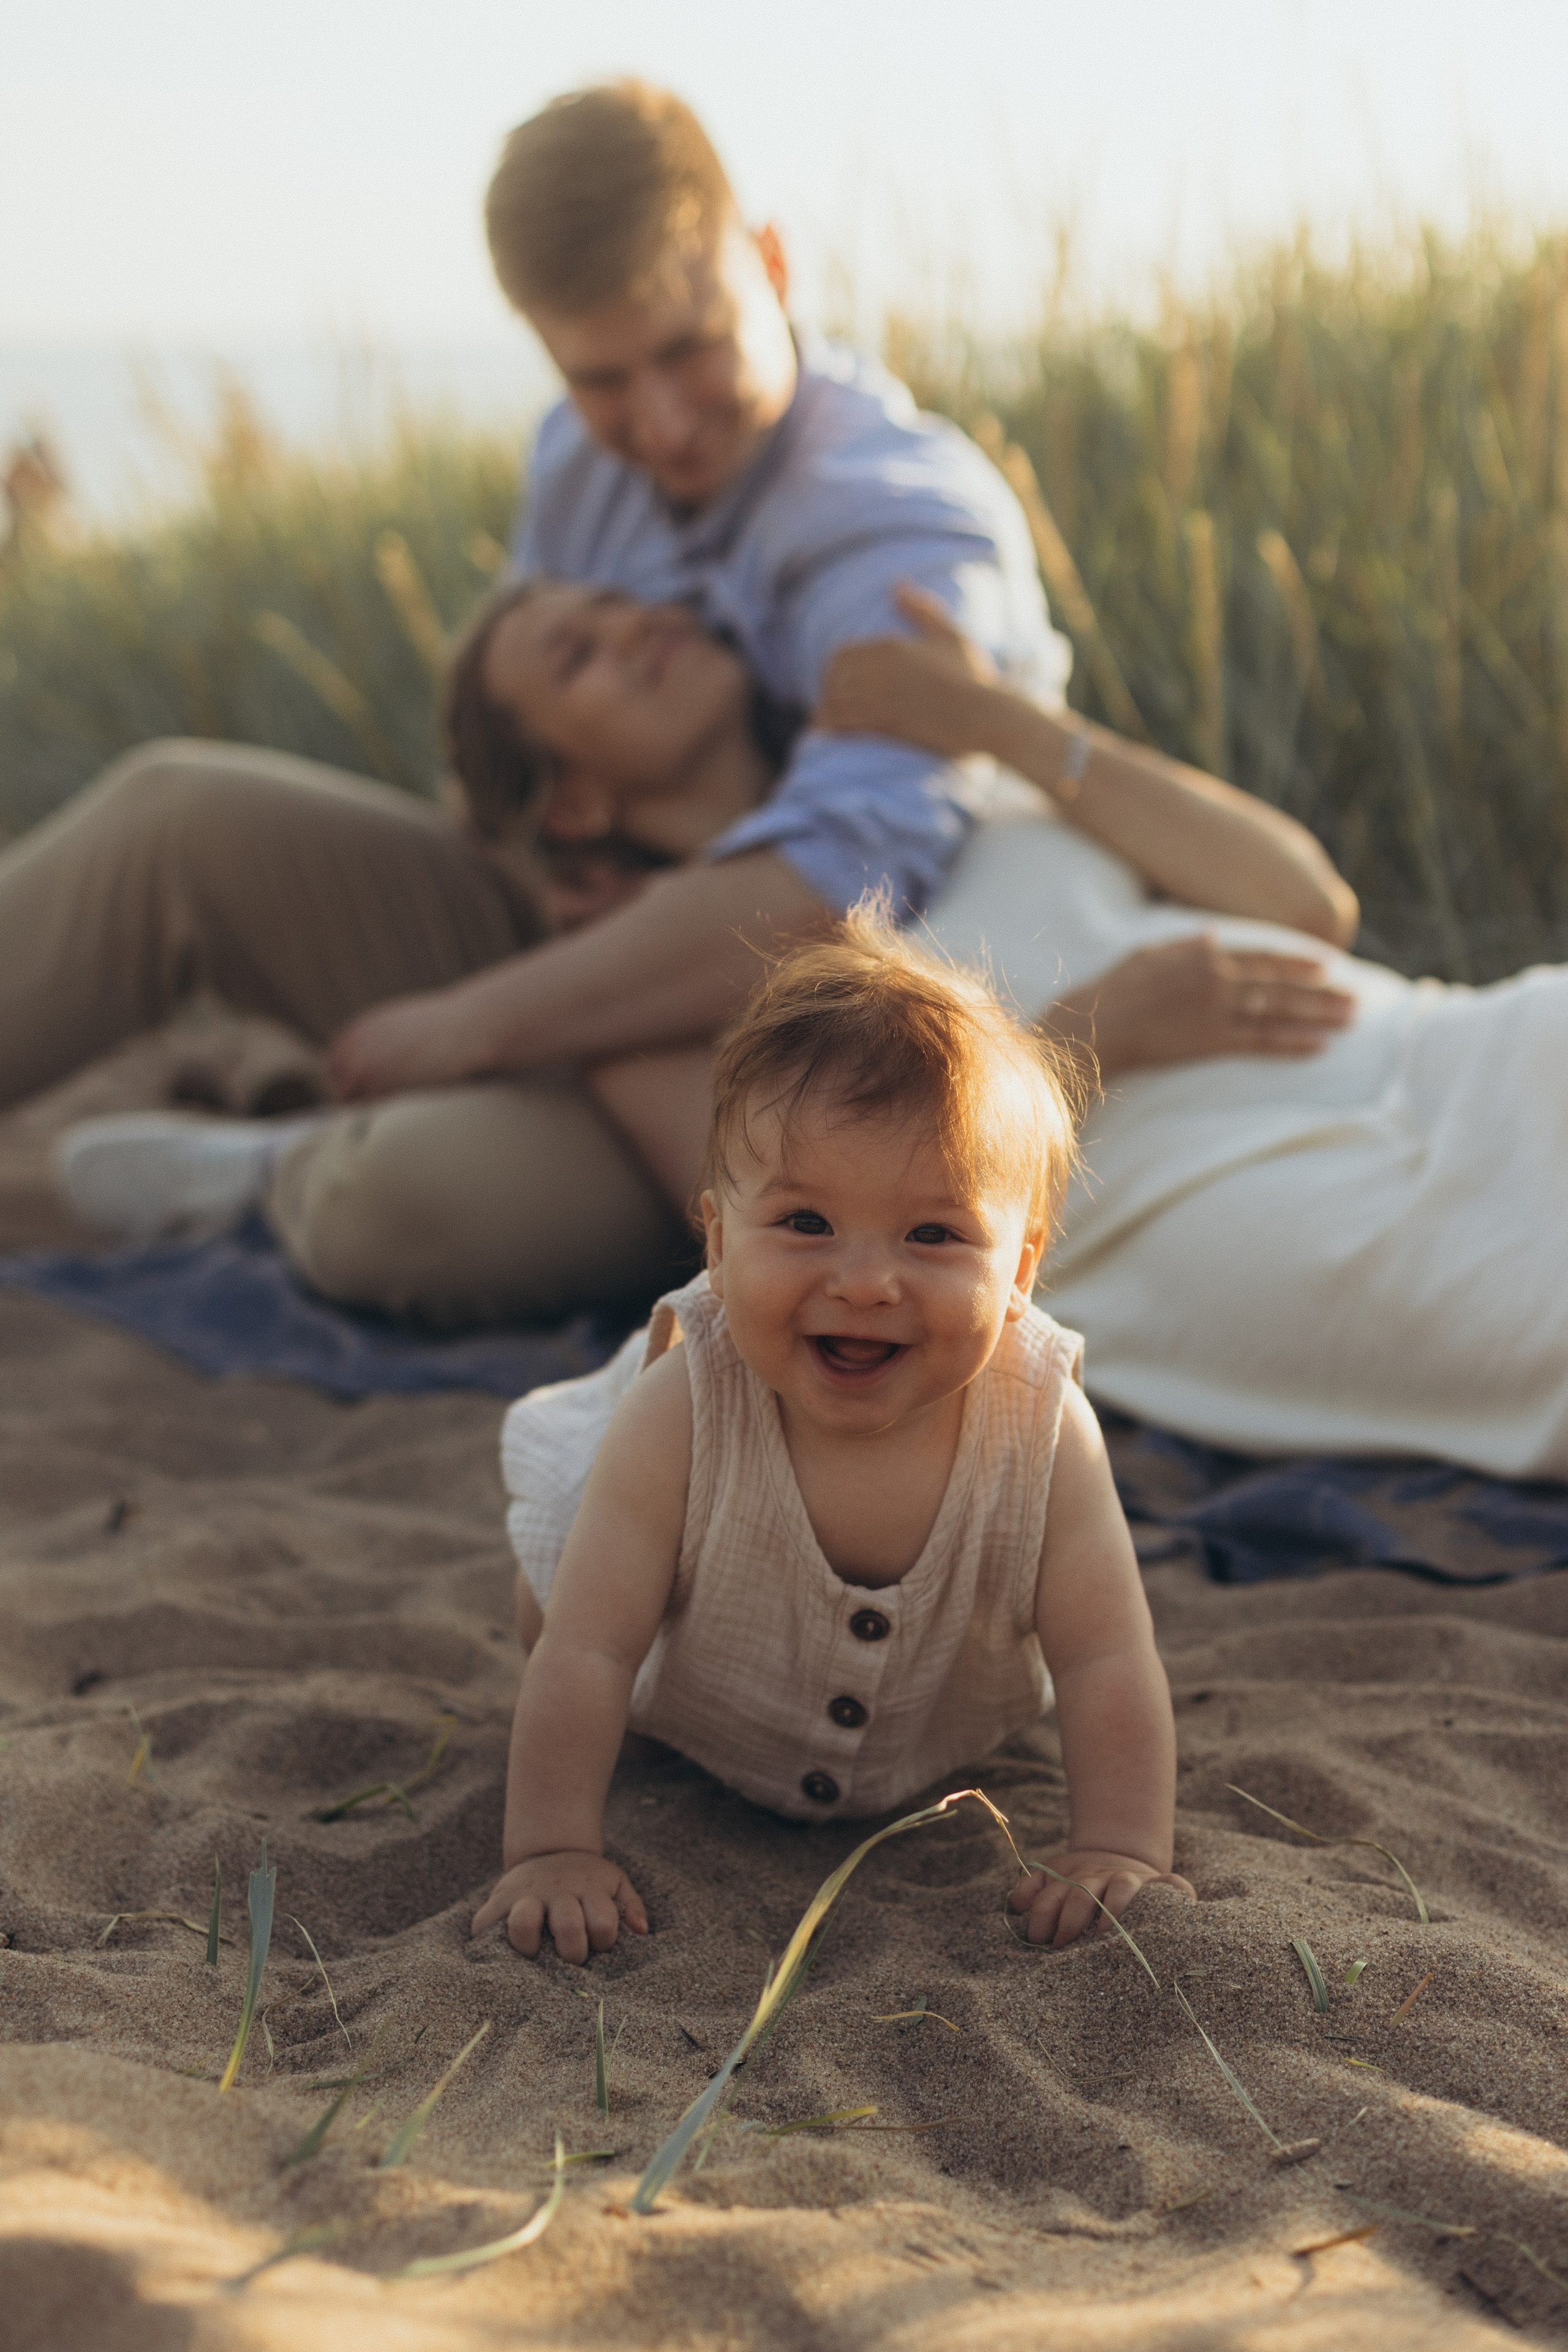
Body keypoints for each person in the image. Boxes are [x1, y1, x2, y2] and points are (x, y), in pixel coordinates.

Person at [10, 77, 1080, 1325]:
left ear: (772, 263)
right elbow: (516, 757)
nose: (662, 423)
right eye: (603, 379)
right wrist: (542, 874)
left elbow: (829, 902)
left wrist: (477, 1024)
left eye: (691, 350)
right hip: (581, 951)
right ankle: (338, 1103)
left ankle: (275, 1164)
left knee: (393, 1207)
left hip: (825, 1058)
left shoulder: (899, 524)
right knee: (172, 812)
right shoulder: (580, 460)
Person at [472, 915, 1193, 1964]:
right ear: (717, 1240)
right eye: (805, 1224)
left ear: (1022, 1267)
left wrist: (1121, 1843)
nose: (864, 1282)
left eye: (935, 1235)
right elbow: (592, 1649)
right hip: (695, 1709)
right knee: (558, 1601)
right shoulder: (688, 1402)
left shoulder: (1043, 1426)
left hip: (940, 1741)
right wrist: (548, 1850)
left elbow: (1107, 1657)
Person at [816, 593, 1568, 1482]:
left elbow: (1306, 903)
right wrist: (1086, 1034)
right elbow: (830, 1237)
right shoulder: (744, 974)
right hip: (1199, 1197)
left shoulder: (987, 801)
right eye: (596, 646)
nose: (648, 625)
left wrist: (1000, 721)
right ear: (598, 802)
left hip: (1446, 1049)